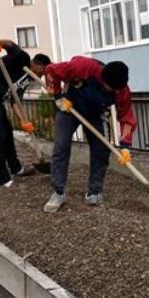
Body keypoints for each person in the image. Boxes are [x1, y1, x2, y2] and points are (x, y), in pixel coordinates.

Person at [42, 56, 136, 213]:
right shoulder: (83, 67)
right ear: (104, 80)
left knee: (102, 150)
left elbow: (126, 116)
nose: (116, 92)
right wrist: (58, 96)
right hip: (69, 108)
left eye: (118, 89)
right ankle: (58, 192)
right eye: (113, 89)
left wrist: (125, 145)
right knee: (61, 146)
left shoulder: (122, 90)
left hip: (96, 113)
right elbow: (51, 70)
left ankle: (94, 192)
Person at [0, 39, 50, 188]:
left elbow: (15, 101)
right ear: (38, 65)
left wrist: (24, 121)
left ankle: (16, 168)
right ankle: (4, 179)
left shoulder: (26, 80)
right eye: (43, 72)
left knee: (7, 131)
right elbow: (11, 45)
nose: (42, 76)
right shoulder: (23, 59)